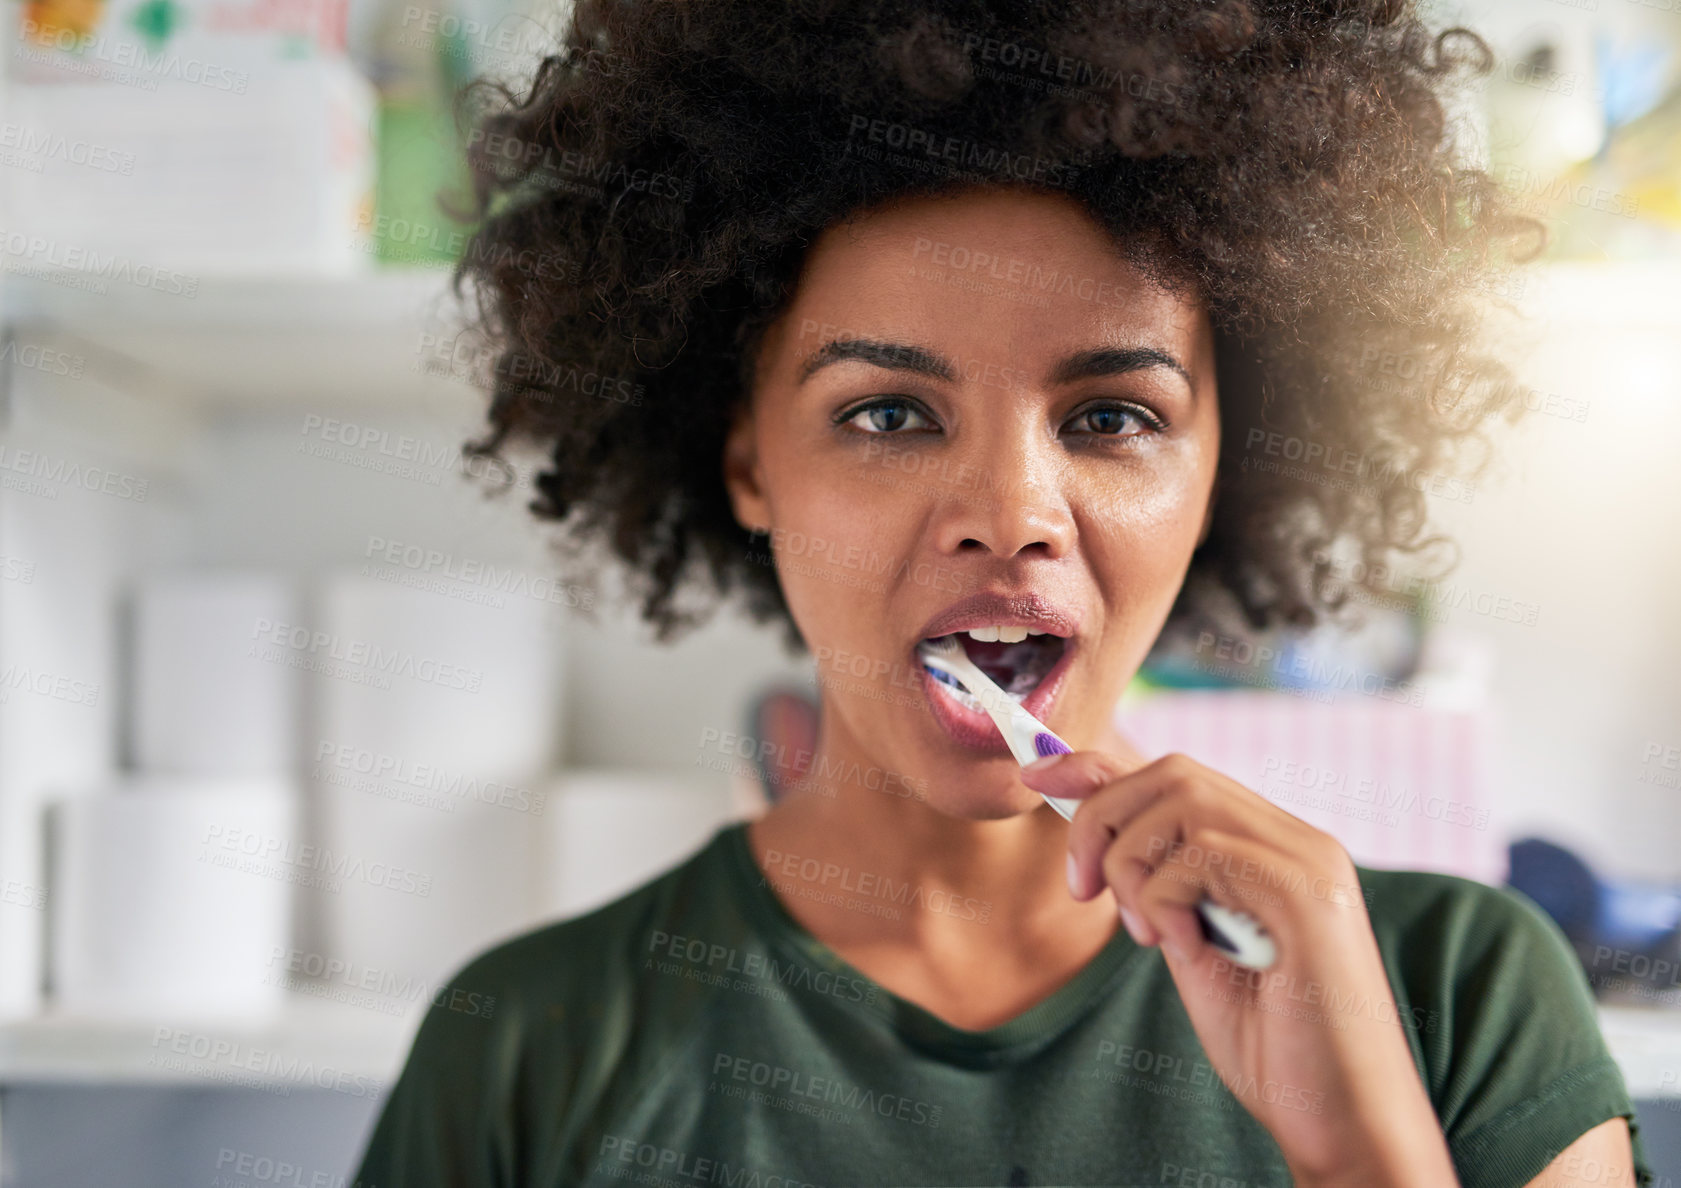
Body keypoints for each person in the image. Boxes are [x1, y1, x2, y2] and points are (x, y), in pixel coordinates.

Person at [352, 1, 1655, 1184]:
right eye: (886, 412)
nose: (1010, 516)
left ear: (1224, 465)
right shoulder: (523, 1044)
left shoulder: (1459, 995)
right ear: (748, 459)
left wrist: (1363, 1154)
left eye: (1108, 414)